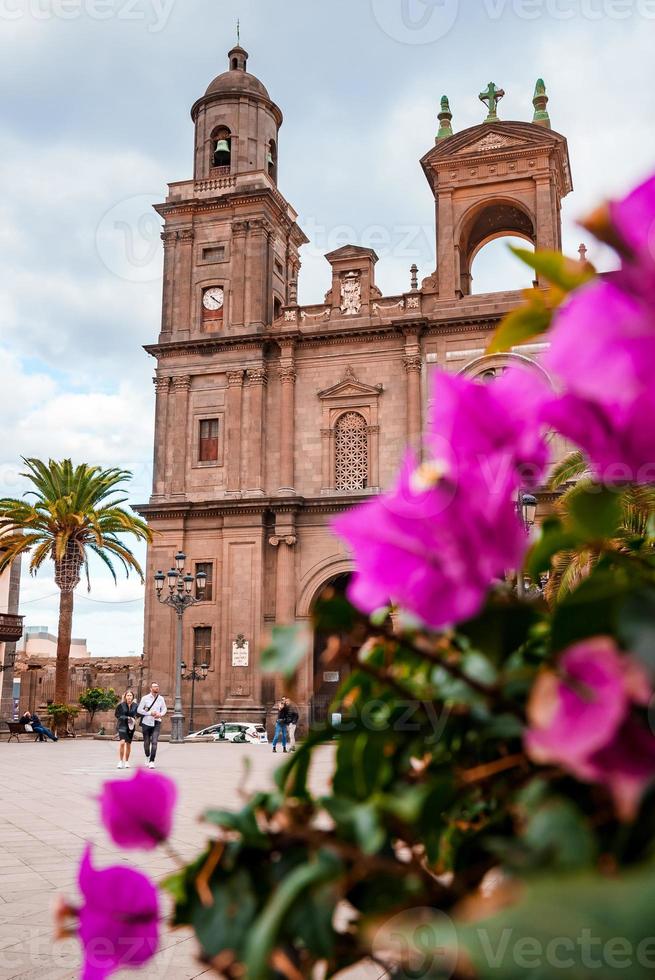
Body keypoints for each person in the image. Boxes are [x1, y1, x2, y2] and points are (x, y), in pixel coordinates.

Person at [137, 683, 167, 768]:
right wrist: (150, 713)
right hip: (146, 722)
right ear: (151, 688)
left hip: (156, 722)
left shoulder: (161, 698)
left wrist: (160, 714)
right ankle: (147, 756)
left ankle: (152, 761)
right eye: (155, 686)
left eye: (157, 686)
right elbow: (139, 710)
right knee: (146, 742)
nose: (157, 688)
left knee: (154, 742)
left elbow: (164, 708)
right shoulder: (145, 698)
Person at [114, 690, 138, 769]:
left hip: (131, 726)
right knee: (122, 742)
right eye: (128, 695)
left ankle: (127, 761)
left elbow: (139, 714)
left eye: (130, 695)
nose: (129, 697)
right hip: (122, 725)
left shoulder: (135, 706)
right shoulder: (121, 705)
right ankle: (120, 761)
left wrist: (135, 718)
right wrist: (126, 718)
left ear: (133, 697)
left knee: (128, 744)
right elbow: (117, 715)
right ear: (125, 697)